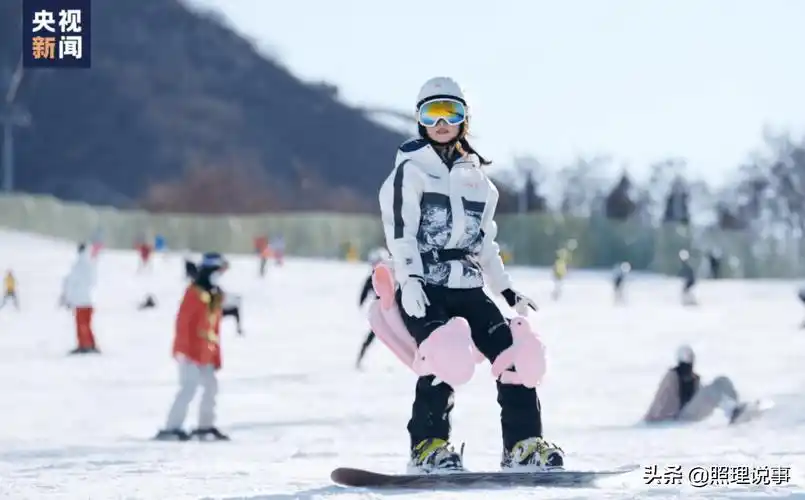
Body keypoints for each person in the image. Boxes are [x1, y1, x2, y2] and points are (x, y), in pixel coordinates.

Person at [378, 76, 563, 473]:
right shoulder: (409, 173)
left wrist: (506, 290)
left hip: (466, 282)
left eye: (452, 112)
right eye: (433, 112)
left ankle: (523, 446)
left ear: (465, 119)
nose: (442, 122)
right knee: (443, 355)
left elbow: (485, 245)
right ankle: (428, 447)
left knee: (518, 354)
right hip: (425, 284)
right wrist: (409, 280)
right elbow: (401, 234)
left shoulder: (479, 182)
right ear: (420, 120)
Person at [155, 252, 231, 441]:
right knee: (189, 386)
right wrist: (186, 351)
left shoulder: (215, 295)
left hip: (206, 353)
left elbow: (215, 329)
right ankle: (172, 427)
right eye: (218, 270)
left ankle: (205, 425)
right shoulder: (194, 293)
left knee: (211, 386)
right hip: (189, 351)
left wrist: (217, 357)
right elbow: (183, 324)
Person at [644, 345, 751, 424]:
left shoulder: (694, 378)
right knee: (712, 392)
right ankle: (734, 413)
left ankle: (737, 408)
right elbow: (660, 399)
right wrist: (652, 419)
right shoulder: (672, 376)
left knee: (722, 381)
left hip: (690, 411)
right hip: (678, 417)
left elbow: (701, 396)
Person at [355, 247, 390, 369]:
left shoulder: (394, 275)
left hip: (395, 311)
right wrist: (361, 304)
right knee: (373, 335)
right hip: (382, 312)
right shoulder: (372, 278)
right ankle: (359, 360)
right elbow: (364, 294)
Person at [62, 243, 100, 354]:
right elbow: (93, 282)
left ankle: (84, 345)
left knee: (81, 324)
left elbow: (70, 282)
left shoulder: (77, 266)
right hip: (88, 300)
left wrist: (67, 298)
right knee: (87, 324)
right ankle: (90, 344)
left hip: (79, 301)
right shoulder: (90, 264)